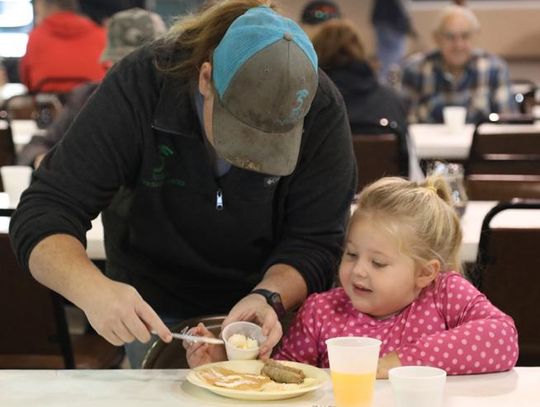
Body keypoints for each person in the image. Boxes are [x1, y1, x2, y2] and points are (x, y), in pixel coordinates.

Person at [10, 0, 356, 368]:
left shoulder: (319, 107)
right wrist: (92, 290)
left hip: (267, 317)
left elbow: (317, 239)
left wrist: (269, 297)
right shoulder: (143, 84)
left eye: (272, 143)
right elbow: (45, 210)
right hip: (155, 313)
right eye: (241, 133)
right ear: (204, 79)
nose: (251, 158)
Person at [186, 176, 518, 378]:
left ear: (424, 273)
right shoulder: (321, 313)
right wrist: (225, 362)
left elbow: (502, 339)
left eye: (379, 263)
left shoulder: (444, 293)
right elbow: (280, 379)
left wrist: (395, 363)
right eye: (351, 254)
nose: (358, 270)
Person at [17, 7, 168, 168]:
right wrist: (43, 161)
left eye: (145, 67)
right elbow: (40, 145)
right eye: (123, 65)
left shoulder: (179, 109)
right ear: (110, 64)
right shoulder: (87, 96)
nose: (132, 77)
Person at [311, 19, 423, 181]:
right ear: (360, 51)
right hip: (385, 198)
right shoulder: (391, 99)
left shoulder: (308, 102)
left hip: (324, 197)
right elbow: (409, 165)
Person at [400, 5, 517, 124]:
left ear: (475, 36)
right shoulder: (414, 69)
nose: (458, 45)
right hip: (429, 142)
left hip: (481, 142)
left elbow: (507, 125)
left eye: (465, 36)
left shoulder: (495, 69)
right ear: (436, 38)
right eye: (450, 37)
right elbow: (405, 125)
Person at [19, 0, 107, 93]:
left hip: (47, 104)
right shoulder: (101, 35)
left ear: (43, 5)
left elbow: (27, 81)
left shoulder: (35, 37)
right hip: (92, 102)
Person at [371, 0, 413, 84]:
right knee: (393, 59)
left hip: (383, 21)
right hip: (393, 25)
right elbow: (401, 7)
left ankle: (383, 83)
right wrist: (407, 25)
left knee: (384, 58)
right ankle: (388, 85)